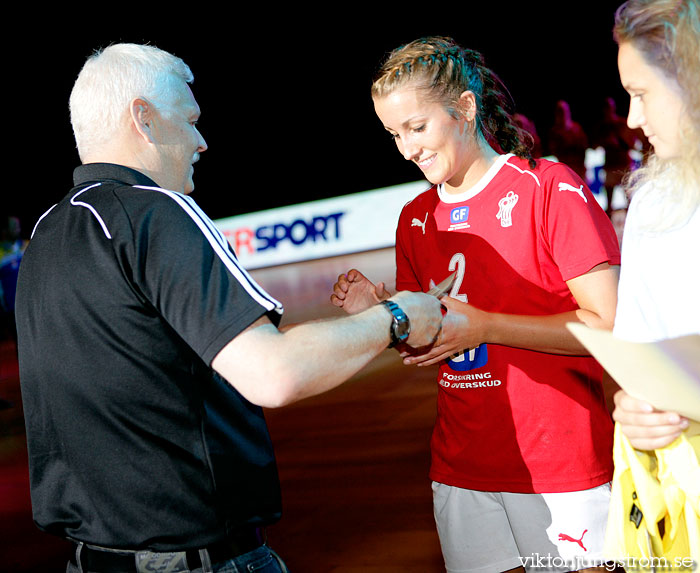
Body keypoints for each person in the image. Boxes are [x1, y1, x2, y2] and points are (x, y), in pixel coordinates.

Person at [14, 43, 443, 573]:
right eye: (190, 120)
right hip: (196, 558)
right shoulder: (154, 212)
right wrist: (395, 317)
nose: (201, 141)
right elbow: (274, 373)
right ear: (142, 118)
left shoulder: (48, 233)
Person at [331, 37, 622, 573]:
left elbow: (608, 326)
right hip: (461, 468)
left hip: (561, 468)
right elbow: (430, 343)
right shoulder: (415, 219)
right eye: (394, 134)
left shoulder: (548, 190)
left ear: (464, 108)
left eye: (417, 128)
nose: (407, 148)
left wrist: (485, 325)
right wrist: (383, 314)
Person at [604, 0, 700, 560]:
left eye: (642, 94)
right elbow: (640, 351)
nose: (631, 117)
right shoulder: (652, 201)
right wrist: (632, 407)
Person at [547, 100, 589, 183]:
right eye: (559, 112)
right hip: (565, 170)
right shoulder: (555, 132)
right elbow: (554, 150)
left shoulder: (576, 128)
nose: (562, 114)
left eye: (563, 111)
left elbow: (583, 147)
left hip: (578, 169)